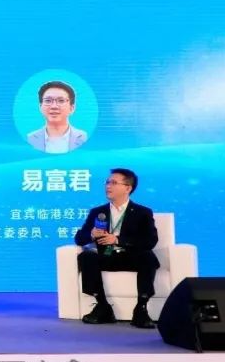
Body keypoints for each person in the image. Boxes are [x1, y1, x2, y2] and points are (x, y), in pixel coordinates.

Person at [73, 168, 159, 329]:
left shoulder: (143, 213)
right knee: (86, 257)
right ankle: (102, 306)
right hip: (106, 256)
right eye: (107, 182)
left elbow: (150, 240)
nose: (108, 186)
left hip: (131, 256)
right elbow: (79, 238)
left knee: (148, 256)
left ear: (128, 188)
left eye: (113, 182)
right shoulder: (97, 212)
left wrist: (118, 239)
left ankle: (141, 309)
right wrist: (91, 234)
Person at [26, 81, 87, 154]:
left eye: (61, 101)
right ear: (40, 107)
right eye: (48, 101)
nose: (54, 106)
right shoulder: (29, 139)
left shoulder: (84, 138)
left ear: (72, 108)